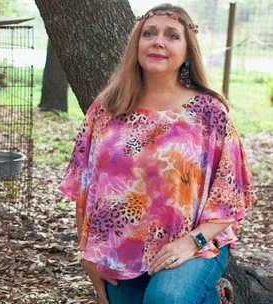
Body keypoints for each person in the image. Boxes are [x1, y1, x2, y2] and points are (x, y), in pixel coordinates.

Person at [58, 3, 257, 304]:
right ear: (136, 44)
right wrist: (87, 254)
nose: (158, 42)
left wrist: (192, 242)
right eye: (149, 33)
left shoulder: (209, 112)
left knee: (166, 299)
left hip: (195, 242)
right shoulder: (108, 108)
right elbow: (84, 187)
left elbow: (231, 196)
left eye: (172, 36)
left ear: (188, 51)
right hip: (120, 248)